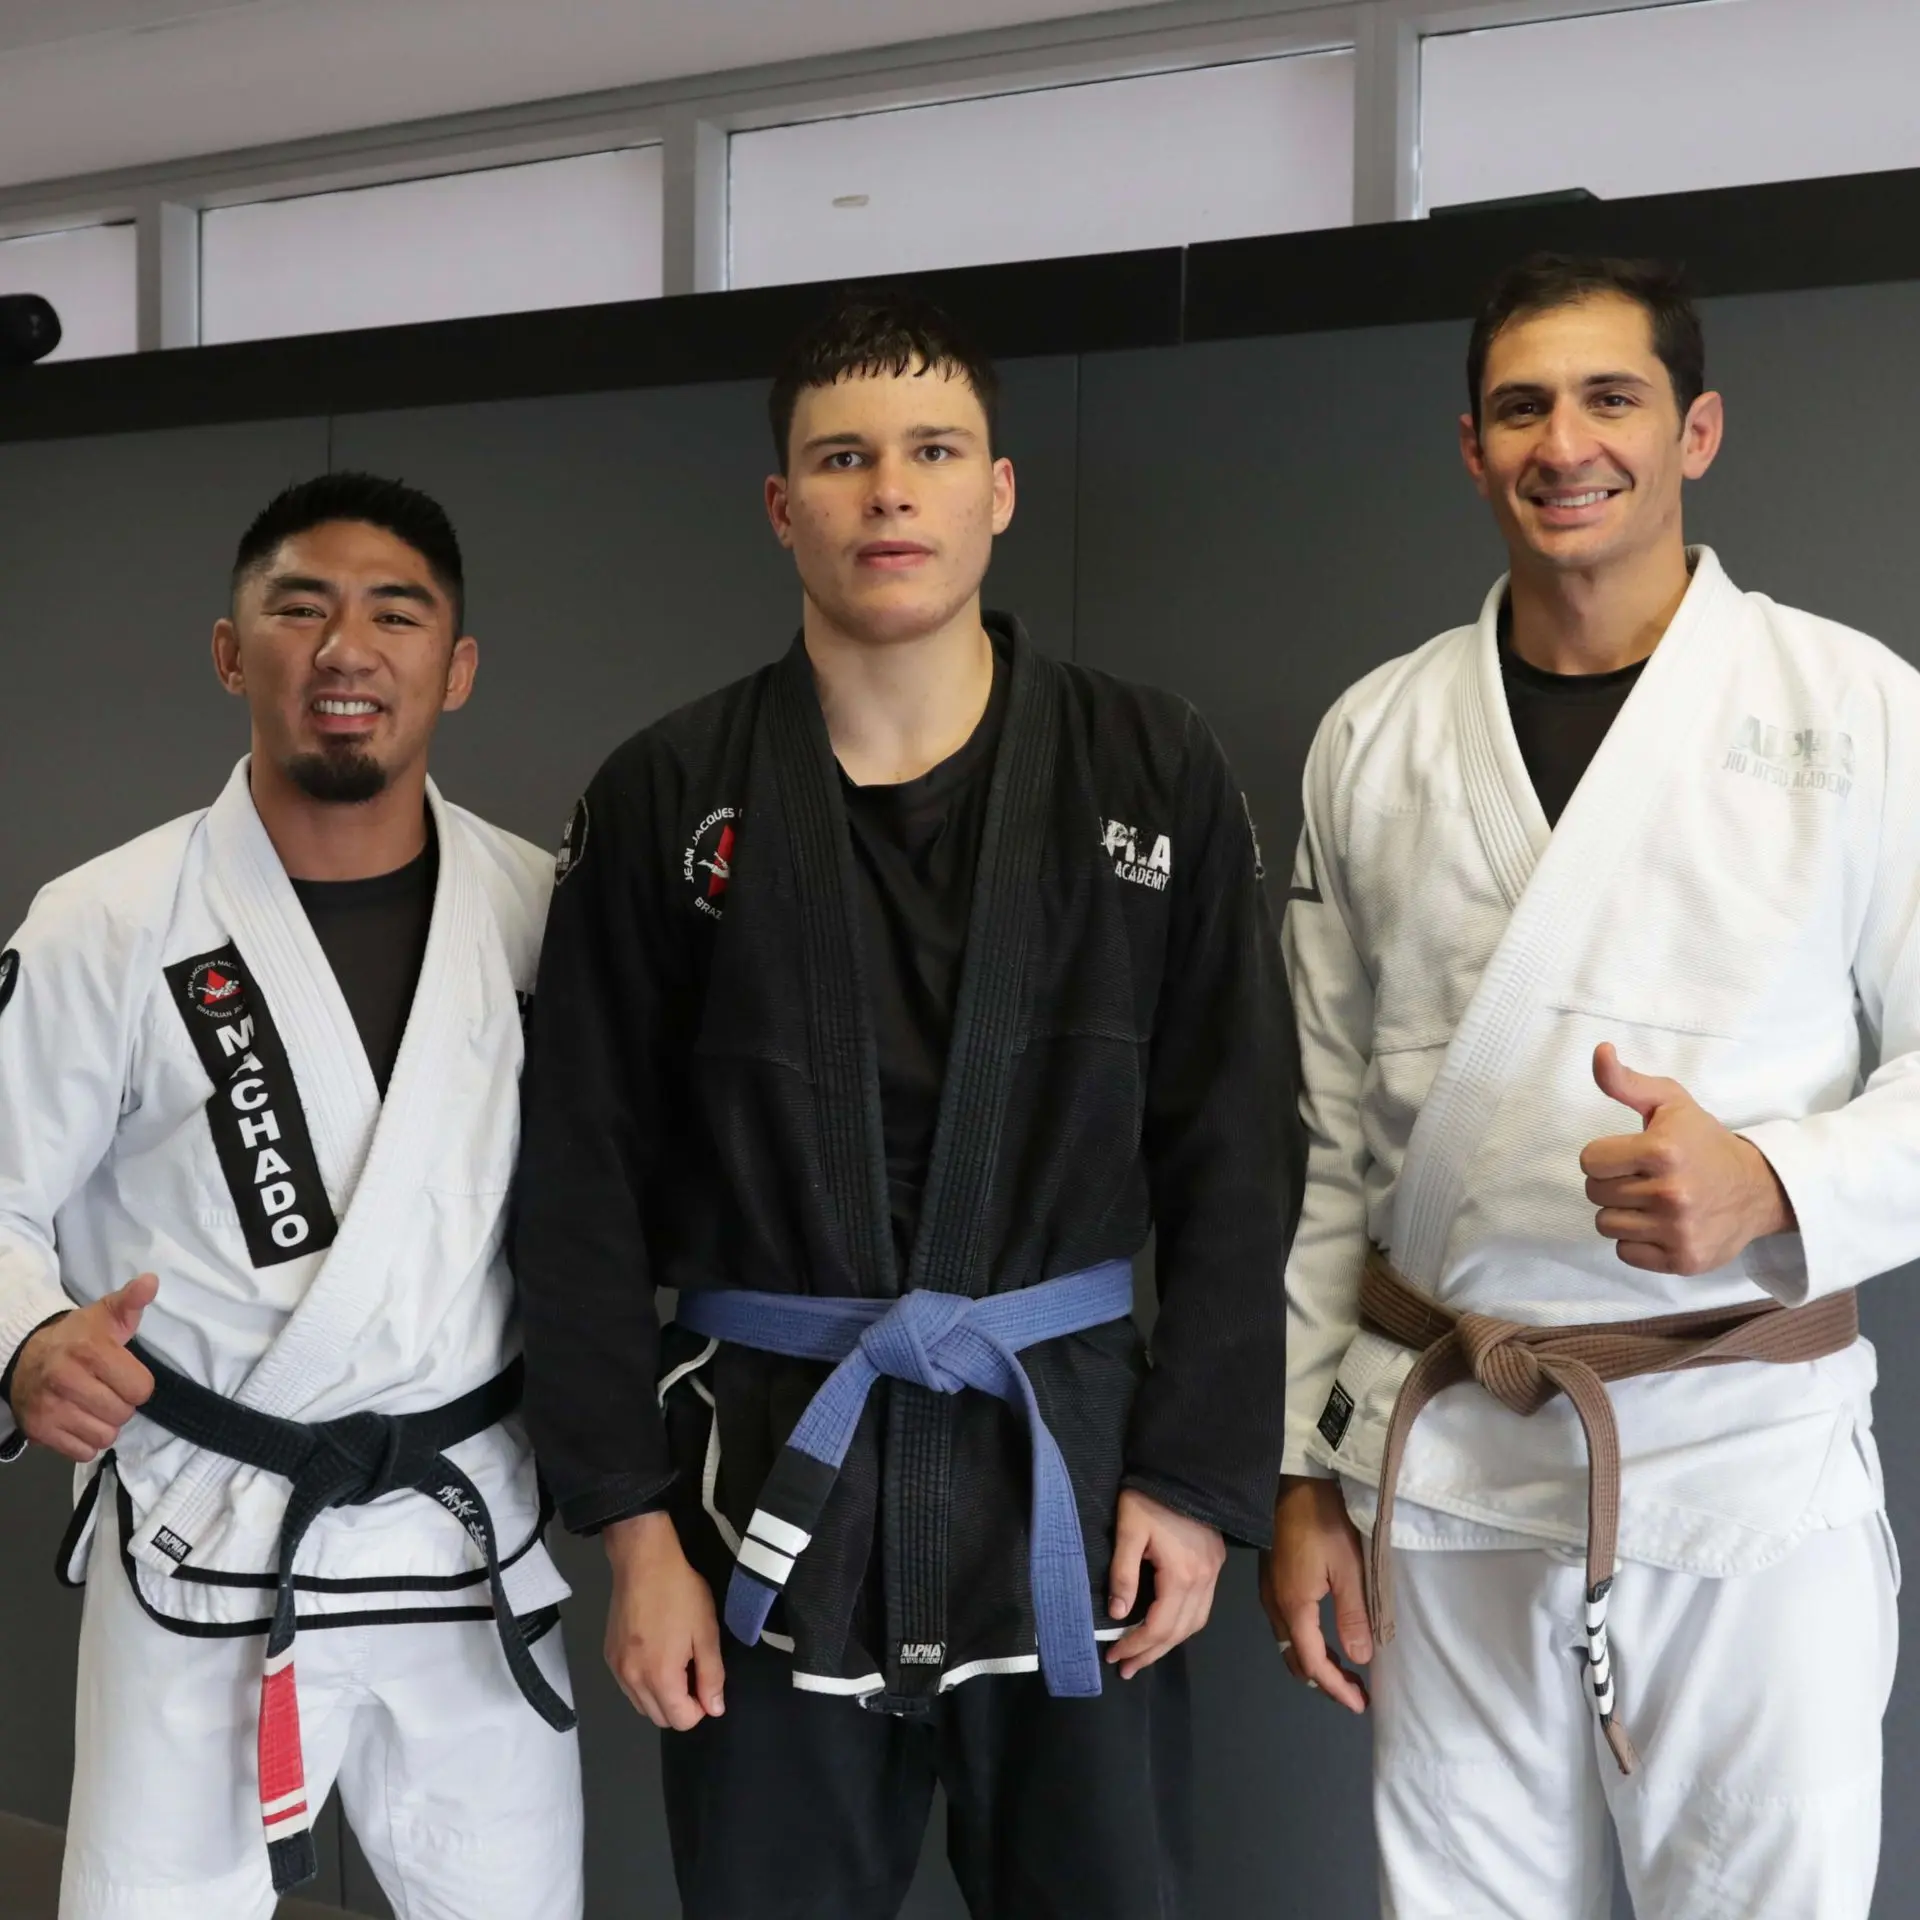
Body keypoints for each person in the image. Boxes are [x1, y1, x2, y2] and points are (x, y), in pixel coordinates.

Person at [514, 288, 1301, 1918]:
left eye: (933, 451)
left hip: (1075, 1481)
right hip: (763, 1489)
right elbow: (576, 1183)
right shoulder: (668, 794)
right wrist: (632, 1530)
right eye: (845, 457)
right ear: (781, 503)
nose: (890, 490)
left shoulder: (1147, 770)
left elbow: (1239, 1149)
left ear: (997, 490)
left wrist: (1200, 1481)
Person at [1264, 252, 1910, 1919]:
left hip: (1741, 1464)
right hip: (1444, 1470)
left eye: (1612, 398)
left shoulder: (1856, 712)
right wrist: (1299, 1467)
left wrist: (1776, 1184)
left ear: (1696, 430)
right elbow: (1330, 1146)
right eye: (1522, 406)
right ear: (1471, 447)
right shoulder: (1378, 736)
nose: (1567, 443)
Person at [0, 473, 583, 1919]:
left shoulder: (543, 913)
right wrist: (26, 1340)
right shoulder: (109, 920)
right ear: (229, 650)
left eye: (396, 614)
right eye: (299, 609)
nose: (345, 649)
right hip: (210, 1538)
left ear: (454, 668)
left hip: (465, 1541)